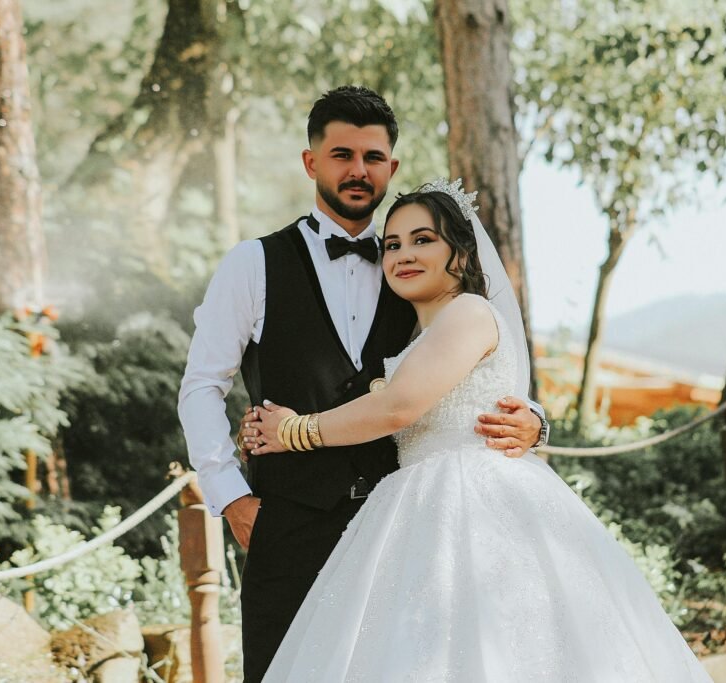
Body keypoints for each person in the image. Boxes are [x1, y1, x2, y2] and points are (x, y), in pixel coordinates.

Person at [250, 183, 715, 682]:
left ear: (462, 252)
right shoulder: (414, 334)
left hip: (473, 498)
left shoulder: (468, 312)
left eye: (423, 239)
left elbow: (397, 406)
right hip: (415, 498)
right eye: (393, 245)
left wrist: (294, 431)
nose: (404, 254)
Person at [177, 86, 547, 682]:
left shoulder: (418, 268)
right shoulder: (253, 262)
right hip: (288, 523)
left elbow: (476, 361)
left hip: (404, 529)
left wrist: (532, 417)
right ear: (311, 163)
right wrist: (233, 500)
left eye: (373, 157)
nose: (358, 170)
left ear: (391, 167)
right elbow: (201, 386)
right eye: (342, 154)